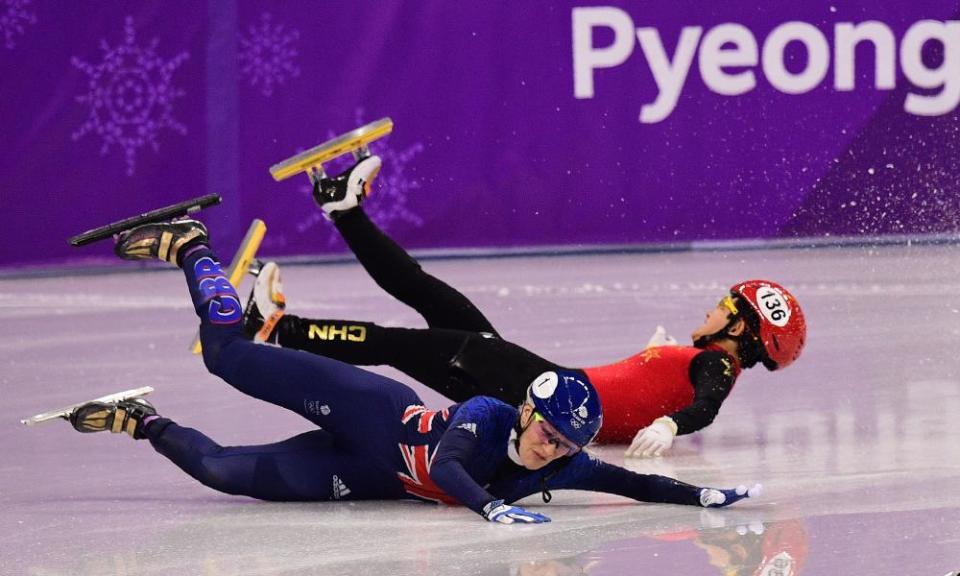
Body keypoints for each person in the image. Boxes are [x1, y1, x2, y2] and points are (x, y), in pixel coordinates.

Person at [64, 217, 760, 524]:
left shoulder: (560, 464)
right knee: (224, 357)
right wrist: (493, 507)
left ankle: (139, 418)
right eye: (549, 432)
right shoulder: (487, 414)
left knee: (221, 472)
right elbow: (454, 471)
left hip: (362, 475)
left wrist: (701, 498)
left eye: (565, 446)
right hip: (368, 409)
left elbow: (633, 483)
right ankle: (193, 249)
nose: (552, 449)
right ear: (526, 411)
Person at [242, 155, 808, 458]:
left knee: (398, 341)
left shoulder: (719, 366)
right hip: (537, 382)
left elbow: (705, 407)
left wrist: (669, 422)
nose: (709, 310)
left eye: (721, 306)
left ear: (741, 328)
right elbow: (650, 390)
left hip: (534, 394)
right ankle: (343, 209)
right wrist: (654, 361)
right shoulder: (697, 359)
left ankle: (272, 328)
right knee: (427, 292)